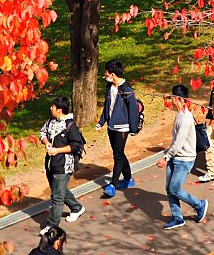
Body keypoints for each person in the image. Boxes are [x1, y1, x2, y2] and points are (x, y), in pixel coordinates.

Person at [157, 84, 209, 229]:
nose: (172, 99)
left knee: (174, 188)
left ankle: (199, 205)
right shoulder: (181, 114)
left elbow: (179, 143)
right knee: (169, 188)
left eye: (173, 97)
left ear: (177, 98)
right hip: (175, 157)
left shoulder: (185, 118)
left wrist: (166, 158)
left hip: (184, 159)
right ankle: (177, 217)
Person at [38, 96, 87, 234]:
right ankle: (77, 207)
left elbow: (76, 146)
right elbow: (42, 133)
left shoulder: (70, 126)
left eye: (53, 107)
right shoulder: (51, 121)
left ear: (59, 110)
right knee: (60, 190)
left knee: (56, 197)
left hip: (63, 166)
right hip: (50, 164)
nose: (50, 108)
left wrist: (57, 150)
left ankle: (52, 226)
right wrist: (46, 142)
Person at [96, 59, 140, 198]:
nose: (105, 75)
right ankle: (128, 179)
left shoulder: (127, 91)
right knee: (119, 153)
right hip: (111, 127)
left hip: (122, 128)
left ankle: (113, 184)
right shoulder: (109, 87)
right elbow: (107, 107)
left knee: (117, 155)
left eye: (107, 72)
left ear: (112, 74)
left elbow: (133, 111)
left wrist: (133, 129)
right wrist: (101, 122)